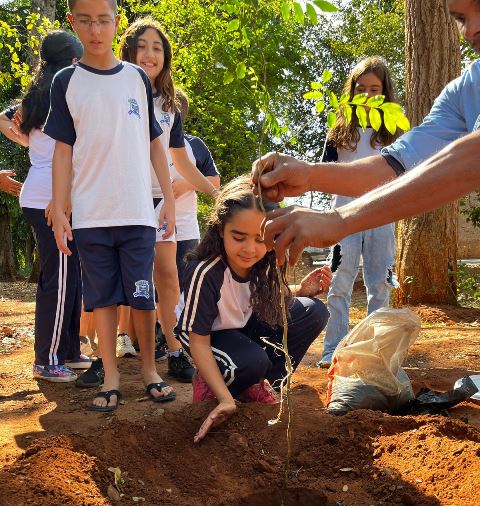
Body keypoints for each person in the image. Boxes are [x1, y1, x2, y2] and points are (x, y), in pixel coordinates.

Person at [251, 0, 480, 266]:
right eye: (461, 18)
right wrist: (309, 175)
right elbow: (397, 165)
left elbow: (472, 156)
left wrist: (339, 219)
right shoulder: (464, 90)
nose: (470, 30)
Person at [46, 0, 176, 411]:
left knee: (142, 295)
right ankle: (112, 376)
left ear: (116, 22)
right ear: (73, 23)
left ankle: (151, 372)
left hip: (138, 211)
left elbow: (156, 143)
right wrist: (60, 208)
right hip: (91, 215)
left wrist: (168, 197)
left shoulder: (136, 77)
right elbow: (63, 152)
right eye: (85, 21)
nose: (95, 30)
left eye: (103, 20)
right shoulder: (66, 82)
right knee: (101, 299)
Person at [175, 175, 331, 443]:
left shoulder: (266, 260)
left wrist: (301, 291)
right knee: (252, 360)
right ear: (220, 229)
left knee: (313, 311)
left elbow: (273, 298)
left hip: (242, 327)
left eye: (261, 239)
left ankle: (259, 383)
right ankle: (212, 382)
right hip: (207, 335)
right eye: (239, 237)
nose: (250, 249)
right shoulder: (207, 271)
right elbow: (197, 338)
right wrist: (225, 400)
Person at [118, 18, 219, 385]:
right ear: (128, 52)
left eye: (157, 48)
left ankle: (175, 352)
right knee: (127, 283)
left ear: (166, 56)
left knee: (168, 278)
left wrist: (218, 195)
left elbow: (180, 162)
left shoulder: (169, 105)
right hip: (120, 201)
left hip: (159, 201)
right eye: (141, 46)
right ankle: (111, 359)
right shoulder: (114, 90)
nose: (149, 54)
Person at [0, 30, 89, 382]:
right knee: (61, 279)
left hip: (49, 195)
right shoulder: (66, 94)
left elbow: (3, 118)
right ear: (71, 61)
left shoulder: (36, 98)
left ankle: (68, 349)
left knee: (70, 277)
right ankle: (47, 359)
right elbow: (72, 154)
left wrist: (25, 141)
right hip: (52, 199)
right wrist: (60, 199)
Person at [318, 57, 402, 368]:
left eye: (375, 89)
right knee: (340, 282)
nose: (367, 95)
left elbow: (404, 172)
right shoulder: (340, 129)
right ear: (352, 91)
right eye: (361, 88)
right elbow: (326, 171)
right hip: (345, 217)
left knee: (379, 285)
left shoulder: (393, 130)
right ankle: (333, 351)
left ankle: (376, 352)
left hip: (382, 216)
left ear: (385, 93)